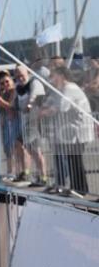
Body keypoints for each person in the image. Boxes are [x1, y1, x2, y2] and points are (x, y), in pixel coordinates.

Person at [41, 67, 91, 196]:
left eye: (54, 76)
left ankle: (80, 189)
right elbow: (52, 102)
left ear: (61, 76)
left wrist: (45, 112)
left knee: (75, 160)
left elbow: (62, 107)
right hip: (72, 131)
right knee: (73, 159)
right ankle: (77, 188)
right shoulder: (63, 89)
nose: (52, 79)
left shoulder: (69, 89)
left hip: (78, 131)